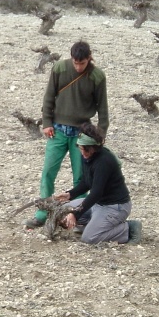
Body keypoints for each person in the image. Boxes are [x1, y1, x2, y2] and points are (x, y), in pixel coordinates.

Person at [25, 41, 109, 228]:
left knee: (81, 178)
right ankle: (42, 213)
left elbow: (103, 109)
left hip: (82, 134)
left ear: (89, 58)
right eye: (75, 62)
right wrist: (46, 122)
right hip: (58, 130)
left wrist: (100, 135)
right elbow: (49, 96)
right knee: (48, 172)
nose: (78, 67)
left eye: (82, 63)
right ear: (71, 58)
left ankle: (79, 216)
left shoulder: (97, 76)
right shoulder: (60, 68)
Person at [53, 123, 142, 244]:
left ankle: (127, 229)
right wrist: (70, 195)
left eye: (86, 149)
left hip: (115, 206)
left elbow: (96, 193)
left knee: (89, 238)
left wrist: (76, 214)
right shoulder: (86, 156)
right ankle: (96, 225)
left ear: (95, 147)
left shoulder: (104, 161)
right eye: (81, 148)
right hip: (97, 204)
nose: (83, 152)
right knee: (62, 213)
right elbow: (86, 181)